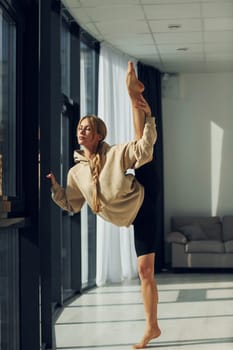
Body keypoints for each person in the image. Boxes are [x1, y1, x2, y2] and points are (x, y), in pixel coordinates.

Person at [46, 61, 161, 349]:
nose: (82, 132)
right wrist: (55, 189)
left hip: (145, 199)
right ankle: (155, 327)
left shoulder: (114, 154)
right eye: (79, 128)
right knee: (143, 271)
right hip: (128, 209)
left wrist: (147, 117)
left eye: (88, 129)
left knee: (146, 271)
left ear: (99, 136)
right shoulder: (77, 173)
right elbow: (72, 205)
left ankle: (150, 327)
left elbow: (143, 148)